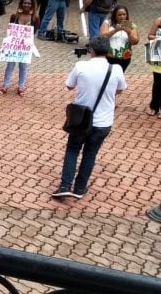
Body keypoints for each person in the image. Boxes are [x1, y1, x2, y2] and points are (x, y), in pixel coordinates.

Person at [52, 36, 127, 200]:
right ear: (108, 51)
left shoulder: (81, 66)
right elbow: (120, 89)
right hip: (103, 122)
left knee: (72, 149)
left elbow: (69, 85)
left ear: (91, 50)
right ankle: (80, 188)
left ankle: (65, 185)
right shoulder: (116, 69)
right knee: (90, 153)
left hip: (80, 119)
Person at [0, 0, 40, 96]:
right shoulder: (14, 16)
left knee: (23, 66)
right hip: (14, 46)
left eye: (29, 3)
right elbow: (10, 30)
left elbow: (33, 32)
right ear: (21, 4)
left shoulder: (35, 18)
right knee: (10, 66)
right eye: (25, 3)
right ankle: (5, 85)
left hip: (25, 47)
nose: (26, 5)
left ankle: (21, 86)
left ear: (32, 5)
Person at [98, 6, 138, 72]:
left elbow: (135, 42)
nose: (122, 17)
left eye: (124, 14)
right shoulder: (107, 23)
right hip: (109, 57)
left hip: (124, 58)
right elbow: (102, 37)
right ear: (114, 15)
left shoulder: (131, 25)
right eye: (119, 15)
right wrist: (115, 30)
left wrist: (129, 33)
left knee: (118, 75)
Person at [147, 17, 161, 118]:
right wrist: (156, 38)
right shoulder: (159, 21)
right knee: (157, 83)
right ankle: (154, 107)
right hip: (158, 54)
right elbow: (150, 36)